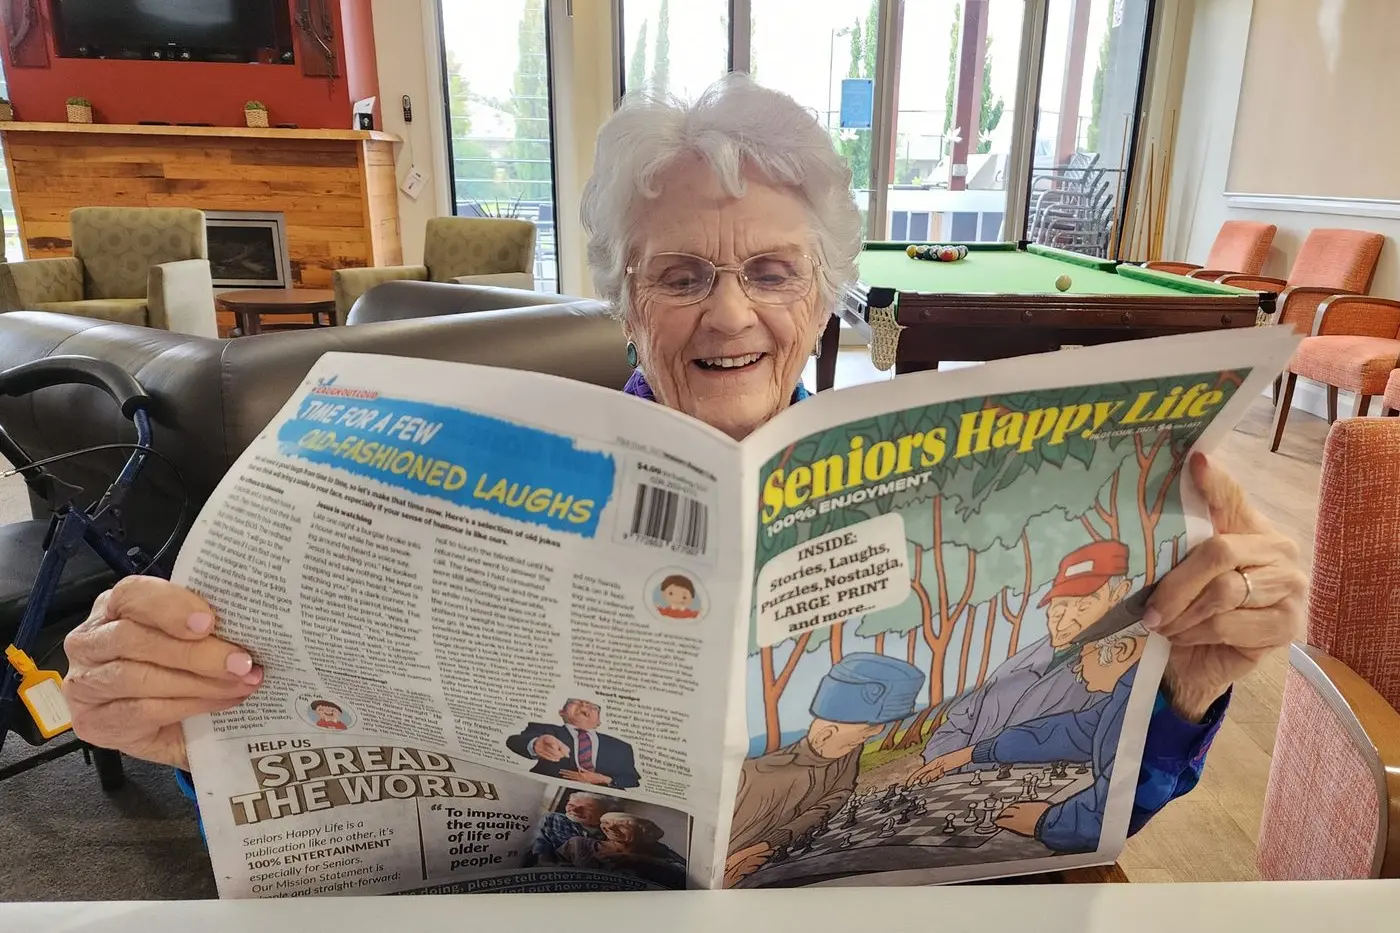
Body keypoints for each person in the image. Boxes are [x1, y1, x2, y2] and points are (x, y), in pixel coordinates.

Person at [59, 73, 1307, 877]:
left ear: (824, 296)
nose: (730, 314)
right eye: (678, 274)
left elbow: (1064, 827)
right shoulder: (457, 497)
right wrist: (179, 723)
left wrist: (1189, 683)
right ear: (621, 298)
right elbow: (286, 752)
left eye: (771, 270)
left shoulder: (948, 508)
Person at [909, 630, 1148, 854]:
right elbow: (1067, 732)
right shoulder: (1124, 695)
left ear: (1121, 650)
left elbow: (1119, 804)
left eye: (1083, 655)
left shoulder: (1146, 701)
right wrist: (970, 754)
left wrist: (1047, 822)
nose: (1078, 668)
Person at [914, 540, 1133, 774]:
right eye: (1059, 608)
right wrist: (937, 766)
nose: (1065, 621)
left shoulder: (1113, 667)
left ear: (1118, 594)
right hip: (963, 789)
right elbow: (961, 721)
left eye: (1083, 607)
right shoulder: (1017, 662)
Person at [726, 652, 924, 887]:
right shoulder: (754, 776)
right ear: (826, 734)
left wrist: (766, 845)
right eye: (857, 738)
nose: (861, 744)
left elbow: (835, 798)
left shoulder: (844, 754)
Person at [505, 699, 640, 789]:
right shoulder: (545, 730)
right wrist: (535, 744)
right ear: (561, 712)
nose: (584, 705)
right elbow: (514, 741)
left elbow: (631, 779)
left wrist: (605, 779)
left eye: (593, 707)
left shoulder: (621, 747)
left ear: (599, 722)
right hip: (550, 788)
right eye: (575, 702)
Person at [557, 812, 687, 888]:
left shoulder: (658, 853)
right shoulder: (578, 844)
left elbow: (684, 878)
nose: (610, 828)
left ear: (644, 834)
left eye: (622, 825)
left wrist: (636, 859)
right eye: (606, 823)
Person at [527, 792, 609, 867]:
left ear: (602, 812)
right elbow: (540, 846)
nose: (574, 810)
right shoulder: (553, 819)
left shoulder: (611, 832)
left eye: (586, 808)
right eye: (571, 805)